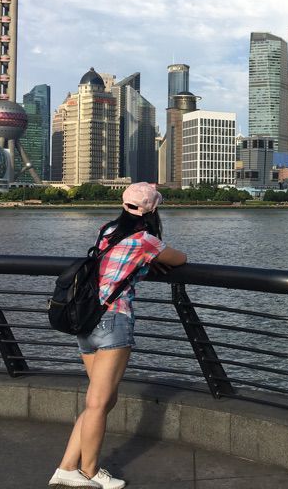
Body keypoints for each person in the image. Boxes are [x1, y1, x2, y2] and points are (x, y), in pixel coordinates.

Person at [49, 183, 187, 489]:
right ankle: (89, 472)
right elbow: (179, 259)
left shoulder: (107, 230)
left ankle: (67, 467)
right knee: (99, 403)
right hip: (113, 321)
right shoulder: (145, 240)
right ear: (152, 210)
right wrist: (153, 259)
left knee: (100, 401)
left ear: (124, 205)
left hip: (86, 320)